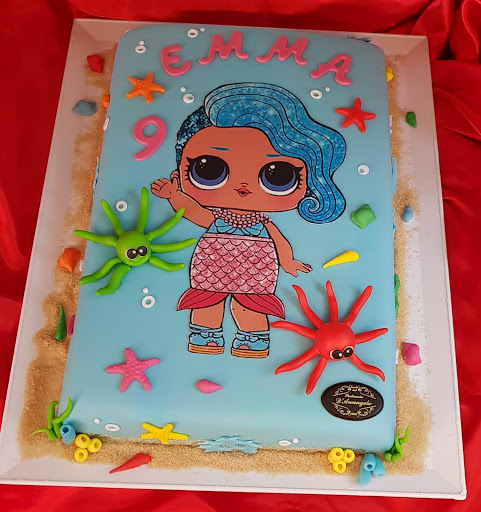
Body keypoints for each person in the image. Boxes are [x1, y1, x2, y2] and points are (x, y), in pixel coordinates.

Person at [151, 83, 346, 358]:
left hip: (254, 273)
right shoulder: (219, 218)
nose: (243, 187)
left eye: (278, 175)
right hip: (212, 271)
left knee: (249, 307)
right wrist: (174, 196)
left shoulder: (263, 222)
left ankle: (253, 341)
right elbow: (195, 212)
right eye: (209, 169)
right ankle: (205, 337)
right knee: (207, 302)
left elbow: (279, 241)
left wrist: (287, 261)